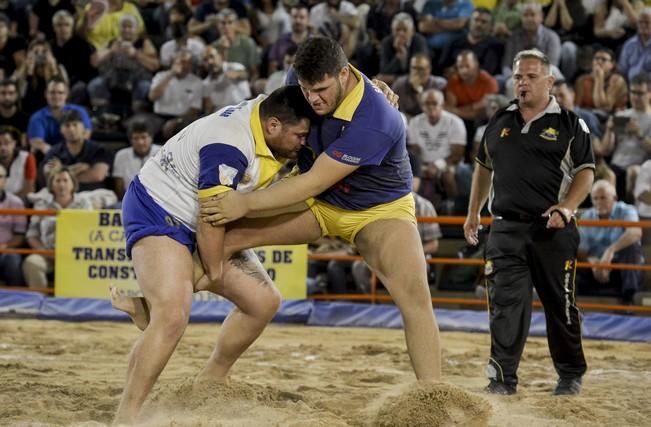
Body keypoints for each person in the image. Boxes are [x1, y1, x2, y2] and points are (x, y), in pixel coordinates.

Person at [201, 37, 442, 384]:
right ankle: (195, 354)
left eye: (321, 89)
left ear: (343, 74)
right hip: (319, 197)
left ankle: (431, 396)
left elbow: (312, 182)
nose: (312, 98)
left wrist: (246, 201)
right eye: (305, 88)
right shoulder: (299, 80)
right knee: (221, 240)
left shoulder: (378, 119)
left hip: (378, 209)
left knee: (415, 300)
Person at [112, 86, 314, 424]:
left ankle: (213, 376)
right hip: (158, 207)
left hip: (205, 215)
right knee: (173, 317)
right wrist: (215, 271)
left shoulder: (271, 114)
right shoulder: (230, 143)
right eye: (300, 135)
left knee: (264, 302)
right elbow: (211, 217)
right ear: (274, 125)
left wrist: (375, 89)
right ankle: (127, 416)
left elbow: (305, 76)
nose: (303, 142)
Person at [463, 49, 594, 396]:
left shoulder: (570, 124)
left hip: (552, 231)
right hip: (505, 228)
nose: (523, 83)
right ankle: (502, 379)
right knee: (506, 304)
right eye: (519, 76)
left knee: (560, 305)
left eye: (531, 76)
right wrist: (473, 211)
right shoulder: (499, 120)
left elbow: (586, 173)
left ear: (550, 81)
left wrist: (566, 208)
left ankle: (570, 374)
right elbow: (483, 166)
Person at [23, 167, 93, 288]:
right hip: (48, 253)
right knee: (31, 263)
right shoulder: (42, 203)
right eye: (58, 181)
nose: (62, 185)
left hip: (77, 255)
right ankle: (40, 301)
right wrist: (44, 251)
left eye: (65, 180)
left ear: (73, 184)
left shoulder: (84, 203)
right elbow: (32, 234)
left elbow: (91, 231)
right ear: (51, 184)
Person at [577, 180, 643, 304]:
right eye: (595, 198)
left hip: (620, 267)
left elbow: (635, 232)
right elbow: (581, 250)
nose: (599, 202)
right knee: (569, 250)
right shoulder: (587, 216)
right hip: (595, 268)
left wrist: (610, 251)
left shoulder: (627, 210)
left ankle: (628, 302)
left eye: (603, 198)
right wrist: (593, 263)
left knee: (632, 246)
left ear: (614, 198)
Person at [111, 120, 159, 200]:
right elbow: (119, 187)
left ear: (151, 138)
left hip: (157, 201)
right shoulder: (121, 155)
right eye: (136, 138)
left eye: (144, 137)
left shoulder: (162, 153)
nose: (140, 142)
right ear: (130, 140)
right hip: (130, 200)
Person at [0, 163, 26, 286]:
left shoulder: (16, 203)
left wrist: (5, 246)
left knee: (11, 258)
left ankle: (17, 297)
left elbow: (20, 236)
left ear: (5, 180)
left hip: (6, 249)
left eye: (0, 176)